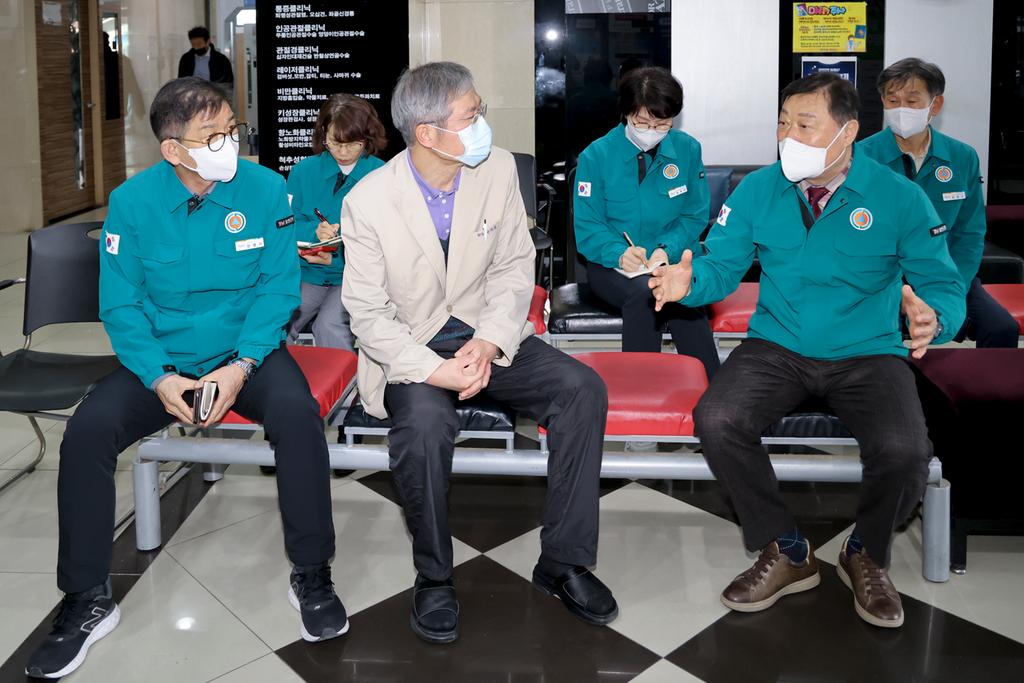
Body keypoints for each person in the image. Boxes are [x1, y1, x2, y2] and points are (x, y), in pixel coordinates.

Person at [25, 77, 345, 679]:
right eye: (212, 135)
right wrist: (158, 378)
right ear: (173, 149)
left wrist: (242, 365)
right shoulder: (132, 202)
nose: (229, 143)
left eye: (231, 129)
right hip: (161, 360)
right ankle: (86, 598)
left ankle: (312, 572)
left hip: (244, 354)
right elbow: (121, 305)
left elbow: (278, 289)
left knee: (298, 416)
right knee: (88, 431)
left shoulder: (264, 189)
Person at [649, 73, 965, 629]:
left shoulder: (899, 197)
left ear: (848, 132)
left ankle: (865, 551)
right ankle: (787, 548)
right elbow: (721, 265)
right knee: (717, 419)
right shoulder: (759, 189)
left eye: (804, 124)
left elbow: (942, 283)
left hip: (867, 351)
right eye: (782, 123)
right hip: (778, 345)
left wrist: (933, 317)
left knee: (905, 450)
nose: (787, 136)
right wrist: (687, 284)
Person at [341, 61, 618, 644]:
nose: (482, 124)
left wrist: (490, 340)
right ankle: (434, 576)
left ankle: (563, 562)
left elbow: (515, 265)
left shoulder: (495, 169)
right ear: (427, 133)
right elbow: (366, 314)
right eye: (471, 116)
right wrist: (434, 370)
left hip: (487, 332)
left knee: (581, 389)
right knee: (423, 427)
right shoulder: (369, 200)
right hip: (412, 346)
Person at [859, 57, 1018, 348]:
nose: (901, 109)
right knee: (880, 335)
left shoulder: (962, 157)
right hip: (883, 280)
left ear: (935, 105)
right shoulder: (861, 157)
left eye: (912, 100)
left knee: (1000, 328)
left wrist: (952, 287)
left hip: (946, 275)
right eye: (893, 100)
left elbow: (970, 233)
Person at [574, 66, 719, 379]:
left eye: (662, 123)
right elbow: (588, 226)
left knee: (680, 291)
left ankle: (713, 389)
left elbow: (694, 214)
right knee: (646, 292)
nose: (652, 130)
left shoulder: (687, 150)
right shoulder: (596, 156)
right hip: (613, 267)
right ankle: (641, 387)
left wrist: (666, 250)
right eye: (642, 122)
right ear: (626, 114)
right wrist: (619, 253)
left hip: (672, 259)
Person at [287, 94, 387, 349]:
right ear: (323, 134)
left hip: (353, 278)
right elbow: (286, 225)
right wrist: (314, 233)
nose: (343, 152)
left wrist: (335, 258)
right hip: (307, 274)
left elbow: (388, 243)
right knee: (278, 319)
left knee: (330, 325)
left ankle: (344, 377)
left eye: (353, 144)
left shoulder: (382, 176)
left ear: (367, 138)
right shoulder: (302, 172)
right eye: (334, 142)